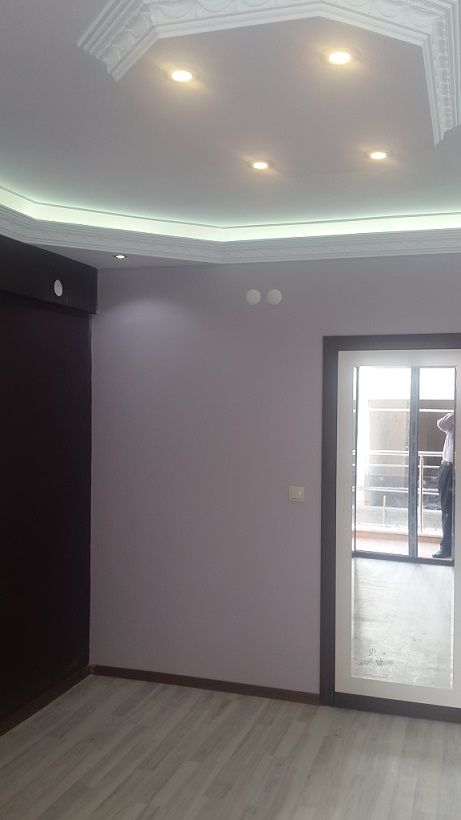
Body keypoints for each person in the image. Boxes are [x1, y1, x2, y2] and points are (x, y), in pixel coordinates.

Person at [433, 411, 454, 558]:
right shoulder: (453, 418)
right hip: (447, 467)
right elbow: (441, 424)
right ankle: (446, 547)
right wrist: (456, 412)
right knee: (447, 509)